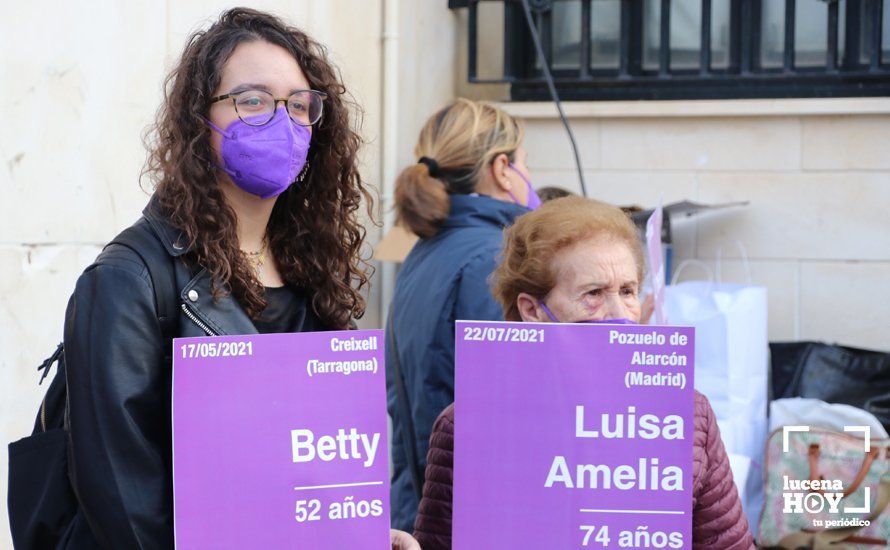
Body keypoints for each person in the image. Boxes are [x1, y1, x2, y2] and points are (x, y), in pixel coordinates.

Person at [54, 8, 416, 548]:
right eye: (253, 100)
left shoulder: (309, 267)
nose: (282, 120)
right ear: (201, 120)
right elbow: (123, 501)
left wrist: (366, 533)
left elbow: (311, 467)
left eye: (298, 104)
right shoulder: (128, 280)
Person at [413, 197, 755, 550]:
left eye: (628, 291)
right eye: (593, 293)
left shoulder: (687, 414)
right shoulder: (469, 424)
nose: (618, 312)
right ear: (533, 310)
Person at [386, 98, 540, 531]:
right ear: (502, 169)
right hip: (466, 516)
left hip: (420, 503)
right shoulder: (491, 259)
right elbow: (514, 411)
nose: (531, 179)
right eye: (526, 164)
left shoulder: (427, 249)